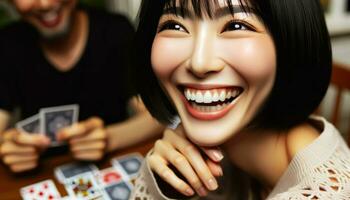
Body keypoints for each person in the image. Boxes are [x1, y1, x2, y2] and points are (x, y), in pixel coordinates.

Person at [129, 0, 350, 199]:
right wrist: (165, 186)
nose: (199, 63)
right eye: (175, 26)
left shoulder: (327, 191)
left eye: (236, 26)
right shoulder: (234, 143)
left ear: (292, 39)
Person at [0, 0, 163, 173]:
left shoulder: (116, 31)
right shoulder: (6, 45)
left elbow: (158, 118)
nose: (45, 4)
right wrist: (7, 146)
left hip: (107, 168)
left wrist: (108, 138)